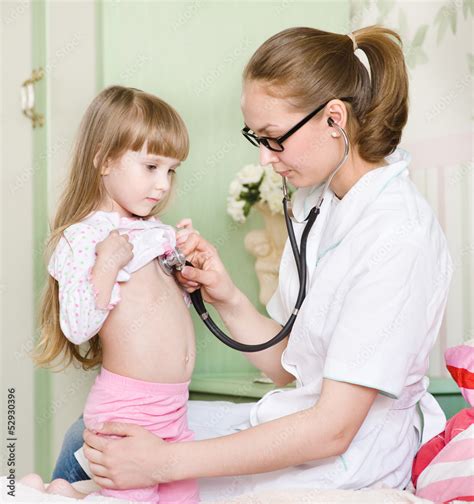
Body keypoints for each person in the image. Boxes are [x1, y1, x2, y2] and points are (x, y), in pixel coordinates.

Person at [56, 26, 452, 500]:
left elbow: (333, 429)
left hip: (344, 464)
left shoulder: (397, 236)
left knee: (99, 450)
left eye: (273, 137)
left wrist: (162, 462)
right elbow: (293, 369)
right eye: (256, 138)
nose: (265, 158)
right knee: (90, 438)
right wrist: (226, 295)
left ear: (334, 120)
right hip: (297, 424)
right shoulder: (320, 203)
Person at [23, 86, 201, 503]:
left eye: (171, 171)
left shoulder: (154, 230)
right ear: (104, 159)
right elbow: (78, 324)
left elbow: (158, 304)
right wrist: (107, 263)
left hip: (173, 406)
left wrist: (184, 273)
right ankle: (45, 494)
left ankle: (61, 491)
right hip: (129, 409)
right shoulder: (81, 238)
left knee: (184, 499)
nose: (162, 185)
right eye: (152, 166)